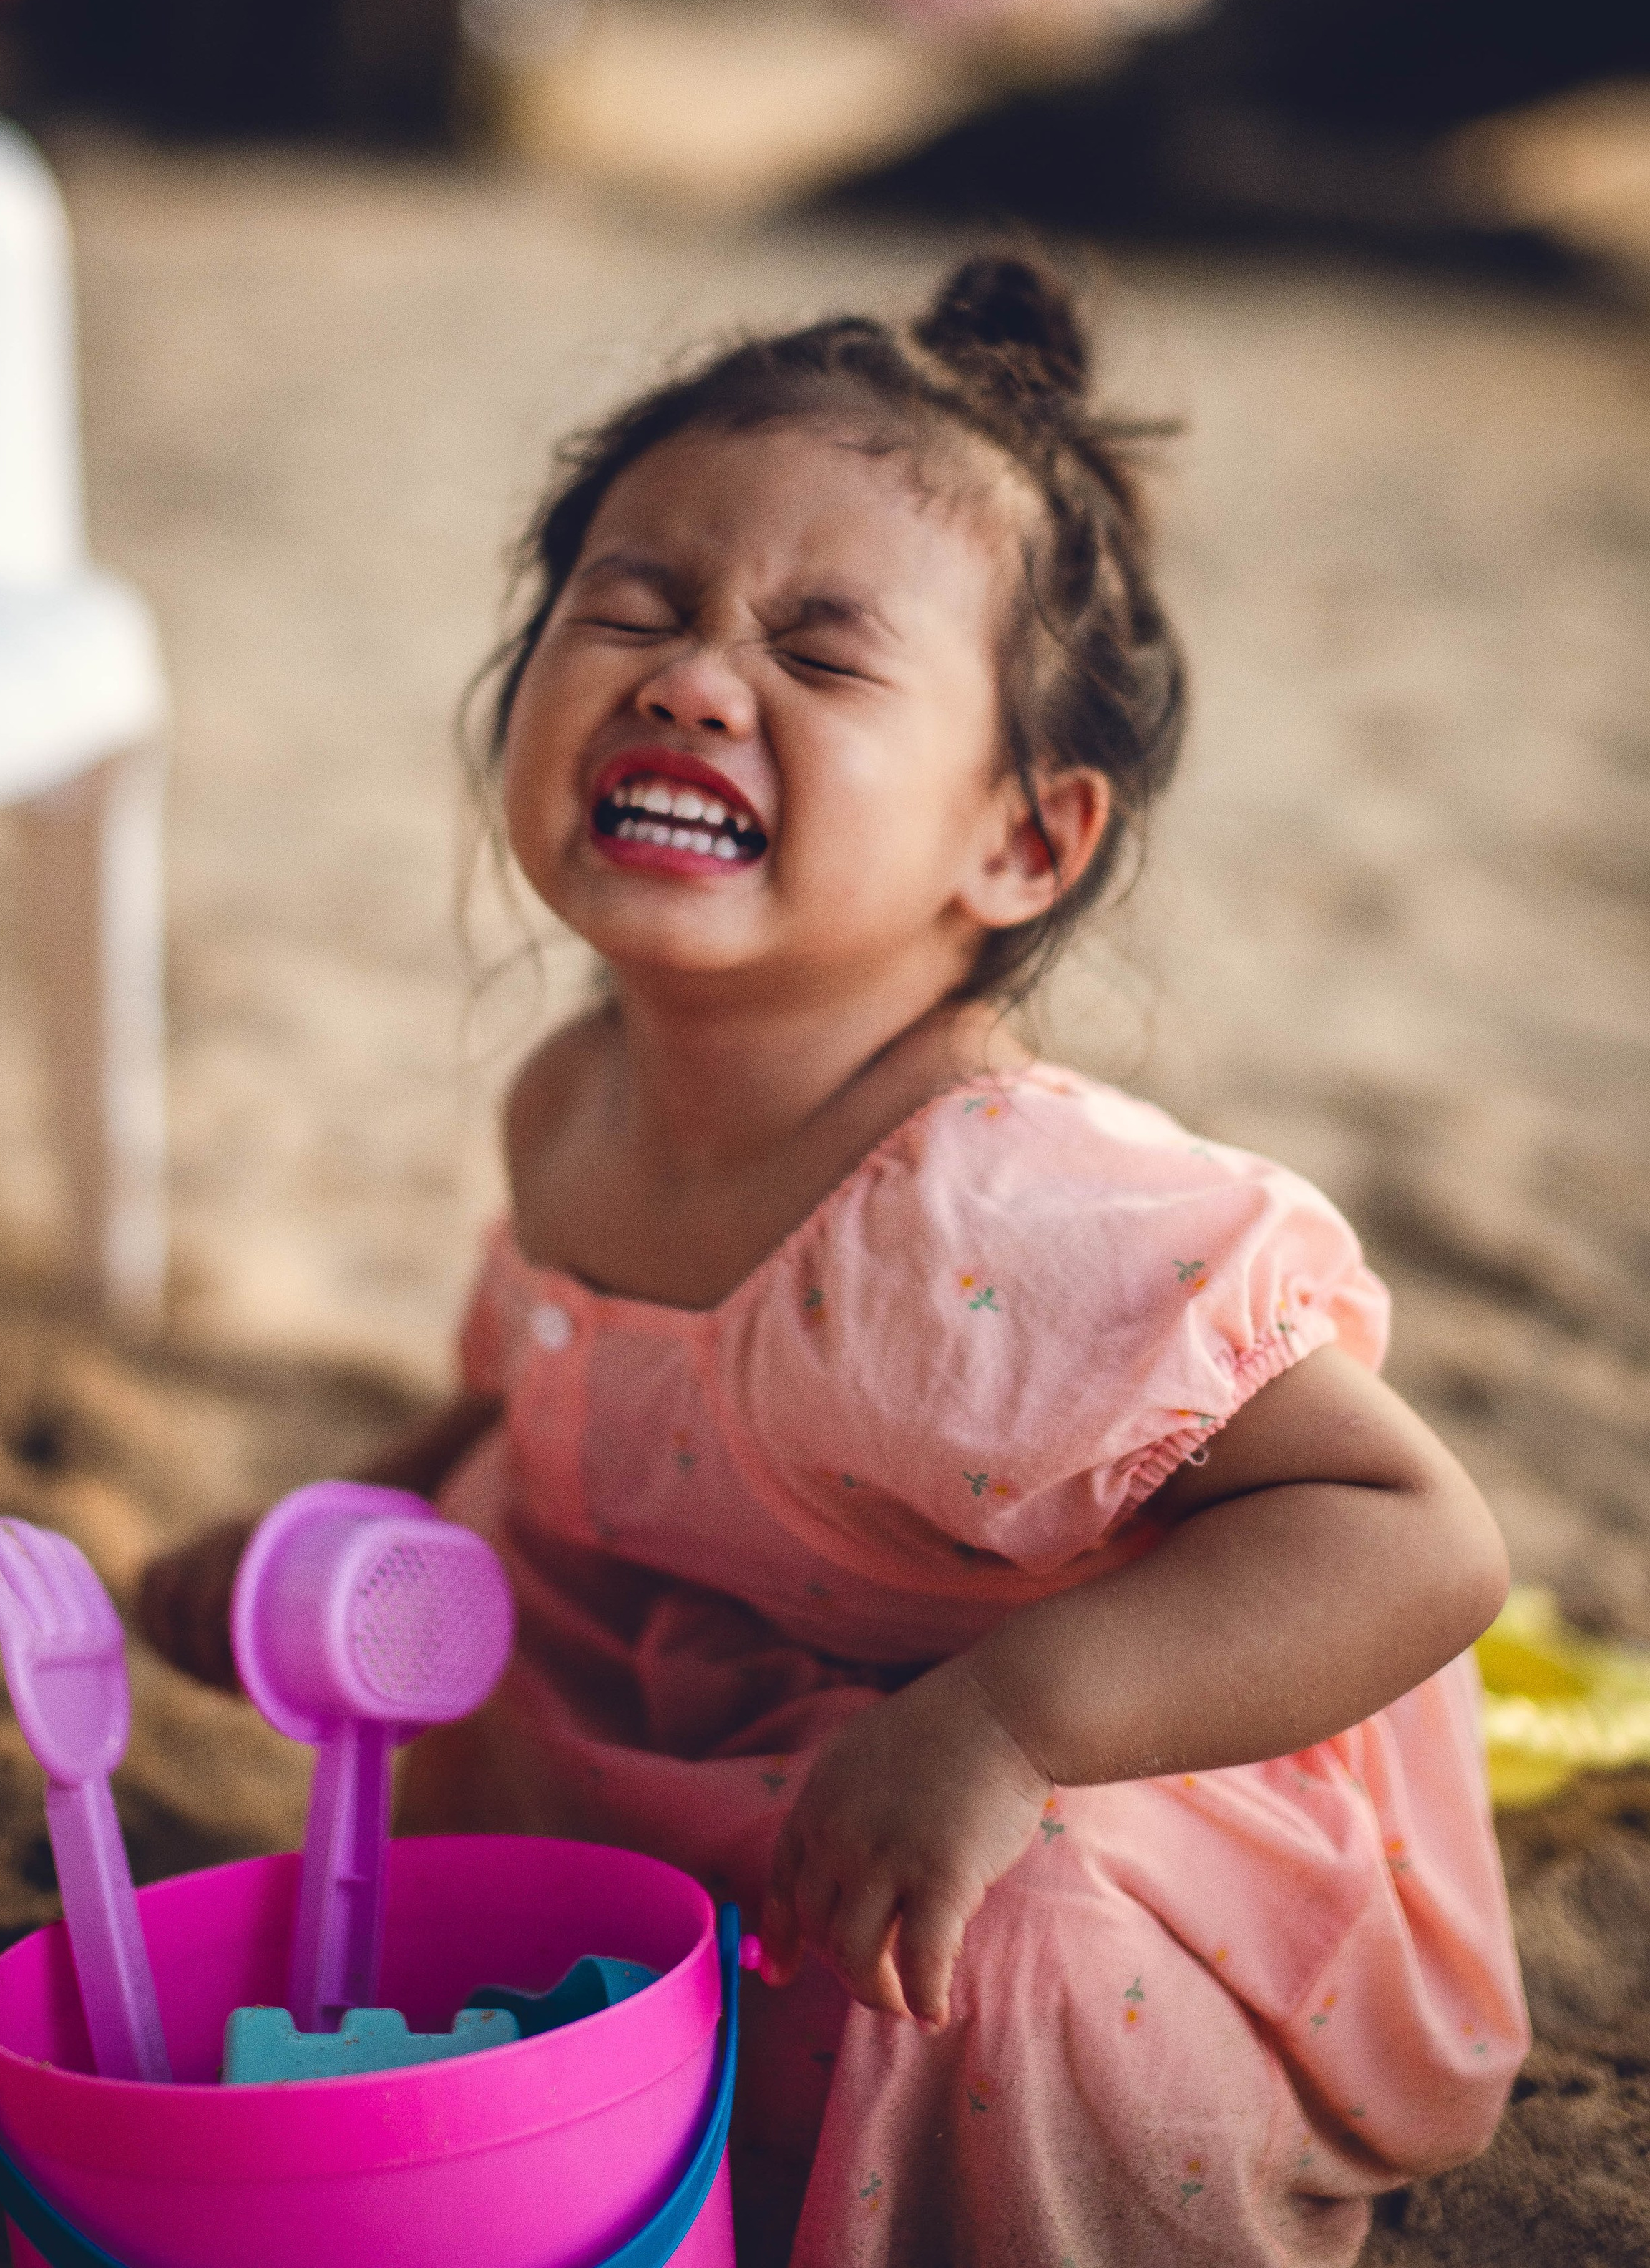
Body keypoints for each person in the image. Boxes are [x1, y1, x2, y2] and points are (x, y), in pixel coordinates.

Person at [140, 253, 1527, 2266]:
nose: (697, 676)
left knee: (1017, 1949)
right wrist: (335, 1510)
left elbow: (1418, 1535)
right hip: (744, 1701)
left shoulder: (1004, 1213)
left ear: (1023, 845)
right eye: (631, 604)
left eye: (820, 647)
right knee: (483, 1650)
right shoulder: (573, 1094)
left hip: (1094, 1759)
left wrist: (1006, 1726)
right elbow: (545, 1378)